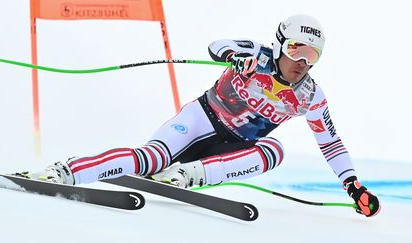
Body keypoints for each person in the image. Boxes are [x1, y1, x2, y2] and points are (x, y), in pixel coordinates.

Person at [22, 14, 380, 217]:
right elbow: (218, 46)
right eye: (296, 49)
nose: (302, 62)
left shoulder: (310, 96)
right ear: (280, 43)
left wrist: (352, 184)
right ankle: (64, 171)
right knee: (148, 158)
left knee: (275, 151)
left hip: (227, 152)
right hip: (199, 121)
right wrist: (233, 58)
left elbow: (330, 143)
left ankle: (185, 176)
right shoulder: (257, 54)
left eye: (312, 55)